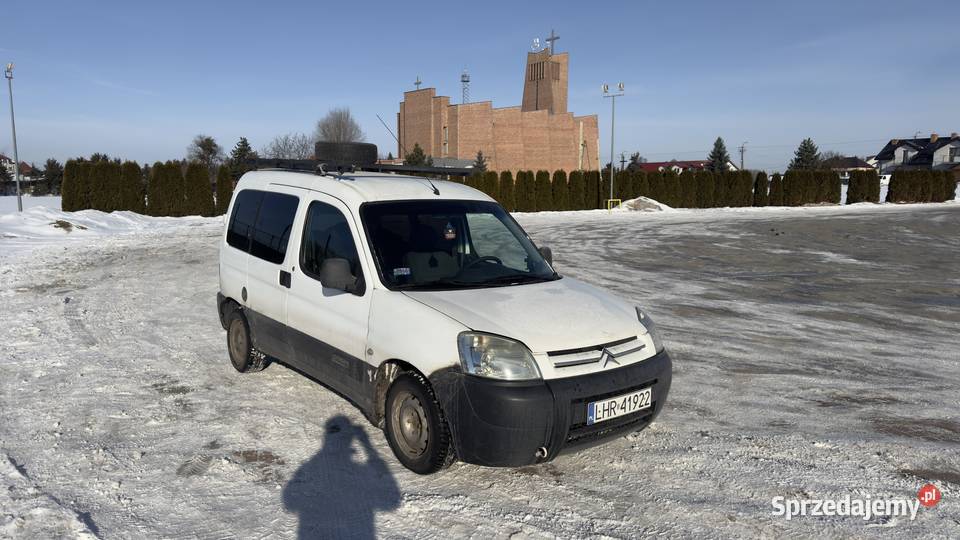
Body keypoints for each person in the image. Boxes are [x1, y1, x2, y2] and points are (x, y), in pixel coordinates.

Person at [282, 415, 401, 539]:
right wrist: (367, 446)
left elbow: (289, 502)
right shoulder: (360, 472)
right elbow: (391, 501)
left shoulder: (311, 466)